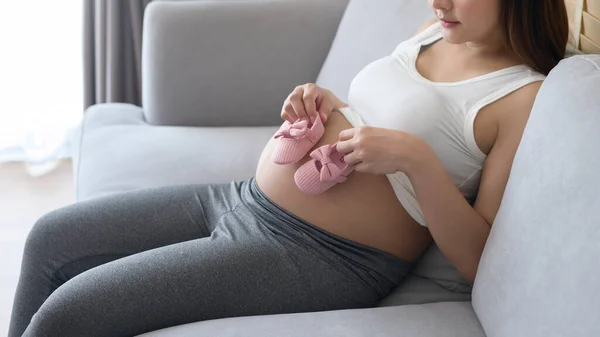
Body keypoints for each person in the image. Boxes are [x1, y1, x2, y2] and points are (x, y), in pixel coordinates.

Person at [8, 0, 569, 336]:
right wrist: (322, 100)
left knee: (70, 314)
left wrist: (418, 163)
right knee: (51, 237)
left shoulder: (521, 97)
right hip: (243, 197)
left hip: (318, 256)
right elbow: (383, 107)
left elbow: (479, 260)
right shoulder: (437, 31)